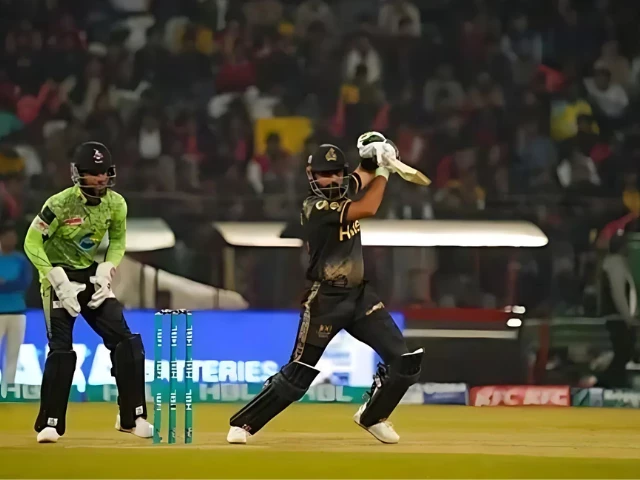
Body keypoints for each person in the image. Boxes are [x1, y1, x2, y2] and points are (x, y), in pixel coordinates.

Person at [226, 136, 423, 445]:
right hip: (325, 301)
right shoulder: (314, 206)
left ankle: (373, 416)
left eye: (336, 173)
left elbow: (363, 174)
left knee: (405, 362)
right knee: (298, 373)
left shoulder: (343, 187)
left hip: (360, 297)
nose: (330, 179)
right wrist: (385, 171)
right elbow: (368, 207)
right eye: (323, 174)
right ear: (311, 174)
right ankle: (243, 424)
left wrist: (376, 156)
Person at [23, 141, 151, 443]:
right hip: (57, 276)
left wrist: (108, 269)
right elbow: (31, 242)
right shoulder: (59, 204)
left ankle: (132, 417)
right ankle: (50, 423)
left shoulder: (116, 204)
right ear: (78, 173)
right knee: (61, 350)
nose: (101, 178)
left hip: (89, 274)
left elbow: (117, 241)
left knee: (127, 343)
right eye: (94, 173)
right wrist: (55, 278)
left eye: (104, 172)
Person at [0, 221, 31, 386]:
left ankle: (8, 387)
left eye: (13, 237)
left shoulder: (21, 260)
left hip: (17, 312)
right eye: (8, 237)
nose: (11, 240)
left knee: (13, 353)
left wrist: (4, 284)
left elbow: (24, 283)